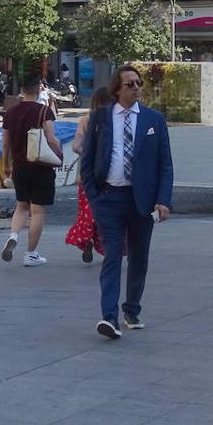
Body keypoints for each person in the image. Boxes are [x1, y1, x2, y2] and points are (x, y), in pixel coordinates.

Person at [80, 64, 173, 340]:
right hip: (109, 198)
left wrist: (163, 200)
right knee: (112, 255)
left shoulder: (153, 120)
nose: (136, 88)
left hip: (141, 200)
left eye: (138, 83)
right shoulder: (101, 118)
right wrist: (95, 199)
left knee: (139, 256)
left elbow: (165, 165)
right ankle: (109, 317)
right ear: (117, 89)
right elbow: (87, 161)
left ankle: (131, 309)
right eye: (130, 84)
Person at [0, 74, 63, 266]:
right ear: (38, 89)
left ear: (21, 90)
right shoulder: (44, 112)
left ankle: (13, 235)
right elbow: (51, 139)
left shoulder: (10, 113)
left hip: (20, 166)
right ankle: (31, 254)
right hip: (40, 166)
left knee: (21, 206)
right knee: (37, 211)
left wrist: (6, 165)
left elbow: (5, 142)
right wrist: (59, 155)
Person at [65, 88, 112, 263]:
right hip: (109, 177)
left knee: (87, 213)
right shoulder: (114, 120)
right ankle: (108, 246)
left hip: (87, 176)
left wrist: (90, 153)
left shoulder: (86, 120)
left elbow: (76, 146)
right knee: (107, 213)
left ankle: (86, 240)